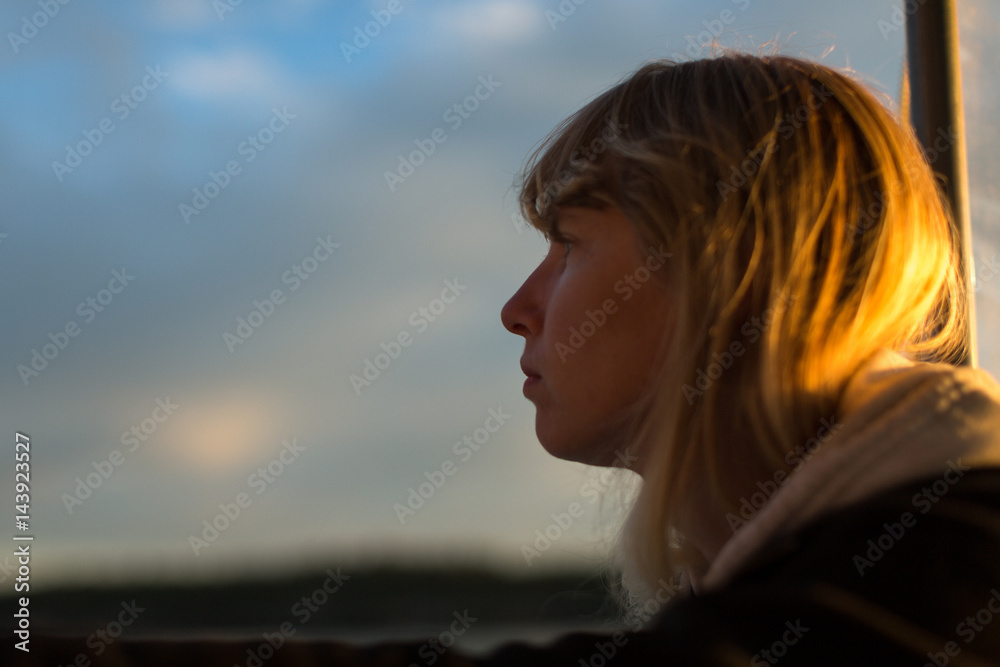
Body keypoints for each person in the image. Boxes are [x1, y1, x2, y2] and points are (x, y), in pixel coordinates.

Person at [10, 52, 1000, 666]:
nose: (517, 309)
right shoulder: (884, 560)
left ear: (727, 265)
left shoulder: (945, 570)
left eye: (568, 245)